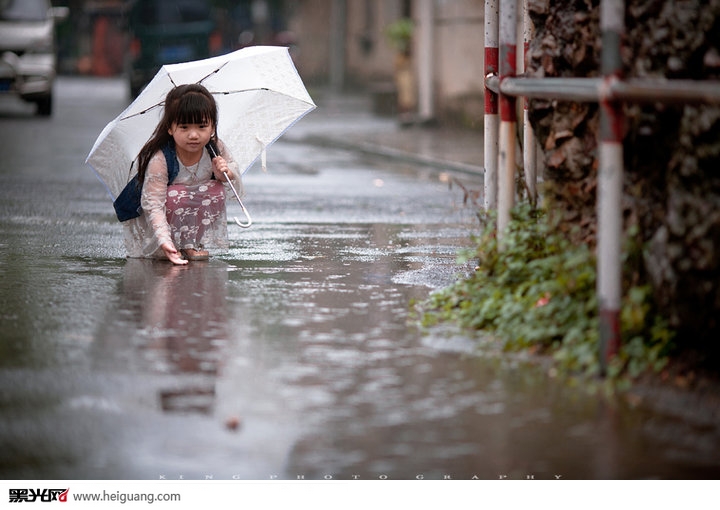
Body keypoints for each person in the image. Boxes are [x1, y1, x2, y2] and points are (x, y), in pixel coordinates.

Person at [122, 84, 243, 265]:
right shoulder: (161, 158)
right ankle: (171, 247)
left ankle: (189, 243)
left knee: (216, 191)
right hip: (157, 221)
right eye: (184, 127)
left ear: (212, 127)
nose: (193, 135)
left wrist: (224, 172)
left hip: (186, 215)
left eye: (202, 126)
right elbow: (154, 204)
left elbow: (232, 171)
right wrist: (164, 240)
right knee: (175, 195)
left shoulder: (214, 148)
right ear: (170, 128)